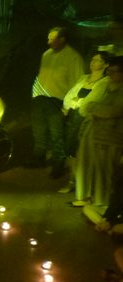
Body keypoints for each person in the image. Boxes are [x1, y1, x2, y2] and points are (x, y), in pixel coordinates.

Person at [28, 27, 85, 178]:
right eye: (48, 38)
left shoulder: (73, 58)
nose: (48, 42)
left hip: (57, 100)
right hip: (40, 98)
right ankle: (38, 158)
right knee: (38, 130)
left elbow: (77, 82)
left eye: (52, 39)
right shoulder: (47, 55)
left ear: (62, 39)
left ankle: (58, 164)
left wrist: (68, 105)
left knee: (56, 134)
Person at [72, 55, 123, 207]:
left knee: (105, 170)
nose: (111, 75)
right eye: (110, 71)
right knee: (85, 164)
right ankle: (85, 196)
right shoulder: (104, 85)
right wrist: (97, 109)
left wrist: (97, 109)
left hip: (112, 135)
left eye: (115, 72)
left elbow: (115, 110)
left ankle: (102, 201)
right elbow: (86, 106)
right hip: (93, 131)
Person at [58, 51, 110, 194]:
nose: (93, 63)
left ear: (106, 64)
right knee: (71, 150)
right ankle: (72, 181)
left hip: (86, 119)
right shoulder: (84, 78)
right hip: (72, 117)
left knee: (82, 151)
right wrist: (71, 104)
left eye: (98, 60)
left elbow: (92, 101)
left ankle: (82, 184)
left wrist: (76, 103)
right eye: (92, 59)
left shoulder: (105, 82)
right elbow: (70, 95)